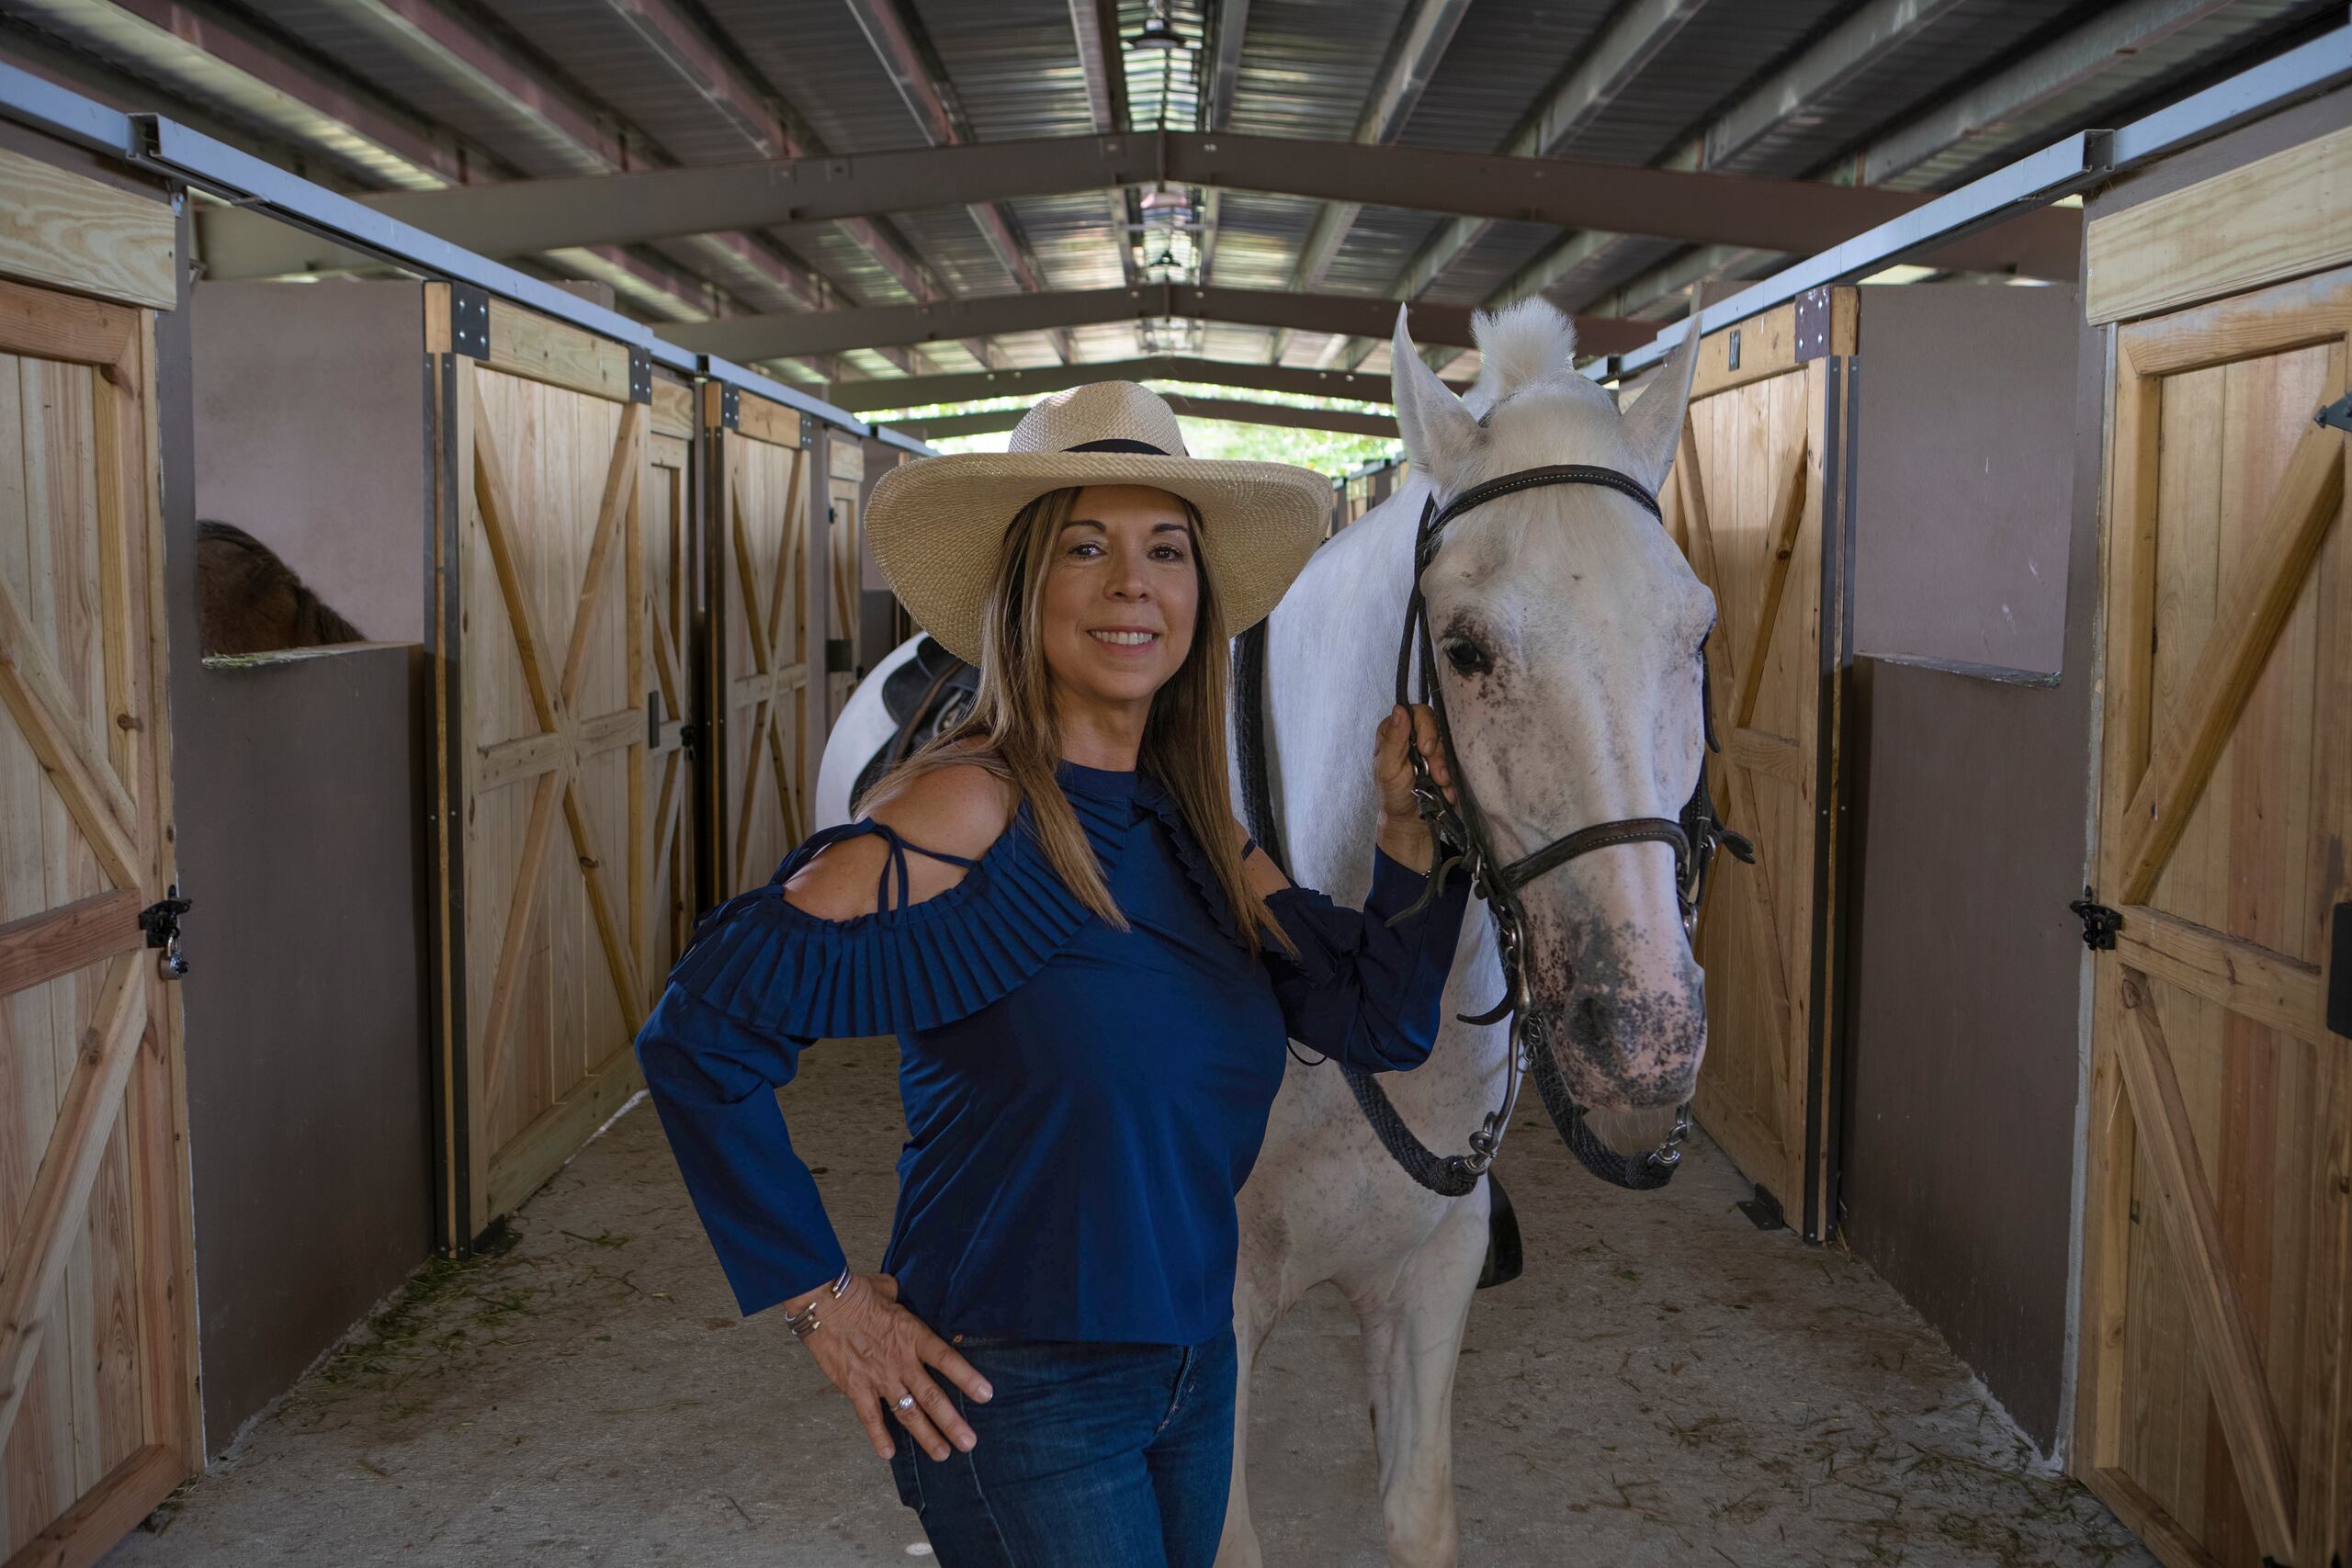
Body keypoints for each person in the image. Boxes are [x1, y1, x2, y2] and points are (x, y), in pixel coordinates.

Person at [634, 381, 1472, 1568]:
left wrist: (1404, 837)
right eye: (1087, 545)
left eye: (1165, 550)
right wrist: (825, 1300)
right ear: (1024, 593)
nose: (1134, 581)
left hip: (1192, 1365)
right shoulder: (965, 805)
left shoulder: (1195, 831)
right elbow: (702, 1030)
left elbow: (1377, 1019)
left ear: (1197, 596)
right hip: (1020, 1385)